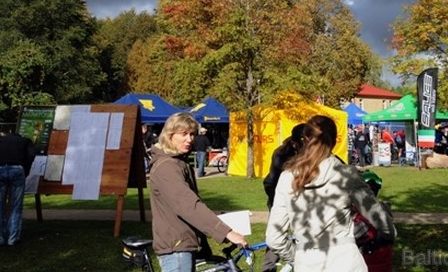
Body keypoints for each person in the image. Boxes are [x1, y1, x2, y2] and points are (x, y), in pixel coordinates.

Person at [266, 115, 396, 272]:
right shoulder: (346, 175)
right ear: (334, 141)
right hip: (346, 262)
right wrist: (389, 233)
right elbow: (378, 216)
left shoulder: (287, 178)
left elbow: (274, 238)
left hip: (307, 263)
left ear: (305, 139)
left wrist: (298, 256)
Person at [148, 112, 247, 272]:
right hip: (176, 249)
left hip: (183, 245)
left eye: (192, 134)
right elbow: (188, 205)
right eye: (184, 134)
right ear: (169, 135)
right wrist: (226, 232)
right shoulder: (167, 166)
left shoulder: (177, 162)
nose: (190, 139)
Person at [261, 123, 305, 272]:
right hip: (281, 197)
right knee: (275, 237)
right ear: (294, 143)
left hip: (301, 203)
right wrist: (279, 202)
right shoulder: (281, 154)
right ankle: (269, 268)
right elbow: (271, 181)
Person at [0, 128, 35, 246]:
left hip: (0, 169)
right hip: (18, 170)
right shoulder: (25, 141)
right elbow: (31, 156)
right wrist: (25, 170)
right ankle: (13, 238)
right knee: (16, 206)